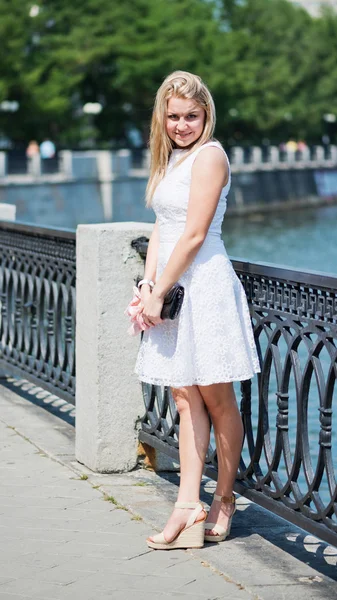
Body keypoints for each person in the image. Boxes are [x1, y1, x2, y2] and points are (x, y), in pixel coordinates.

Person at [134, 71, 260, 550]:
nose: (183, 125)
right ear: (161, 119)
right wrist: (149, 283)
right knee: (184, 396)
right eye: (174, 117)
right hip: (171, 288)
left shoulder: (210, 157)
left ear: (206, 115)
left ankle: (224, 498)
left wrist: (157, 293)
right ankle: (188, 504)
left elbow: (192, 235)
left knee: (215, 395)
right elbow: (162, 230)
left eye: (192, 116)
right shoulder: (172, 159)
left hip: (202, 286)